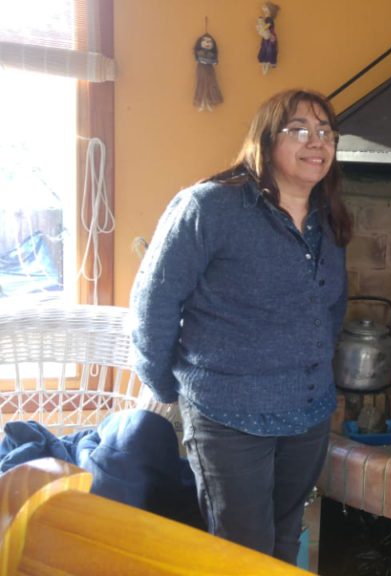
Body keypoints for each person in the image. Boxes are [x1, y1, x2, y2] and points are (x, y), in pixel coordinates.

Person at [129, 89, 351, 563]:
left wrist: (316, 368)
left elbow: (332, 304)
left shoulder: (327, 217)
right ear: (267, 140)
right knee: (240, 551)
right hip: (228, 413)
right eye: (299, 130)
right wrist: (164, 384)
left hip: (308, 412)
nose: (317, 142)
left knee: (284, 538)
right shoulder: (209, 207)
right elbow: (154, 299)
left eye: (325, 131)